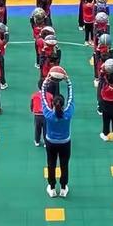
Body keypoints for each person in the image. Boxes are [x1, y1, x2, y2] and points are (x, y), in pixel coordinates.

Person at [42, 69, 74, 198]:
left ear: (52, 104)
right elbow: (72, 97)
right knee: (64, 165)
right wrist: (68, 82)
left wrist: (46, 81)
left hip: (51, 143)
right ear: (64, 103)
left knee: (51, 165)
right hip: (65, 143)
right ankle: (63, 188)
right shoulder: (68, 113)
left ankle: (52, 188)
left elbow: (43, 94)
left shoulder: (48, 114)